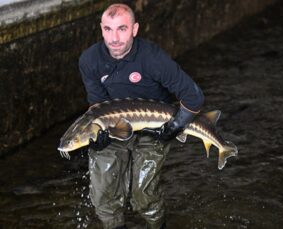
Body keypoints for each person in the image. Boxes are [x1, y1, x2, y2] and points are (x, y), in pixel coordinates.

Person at [79, 3, 204, 229]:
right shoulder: (90, 60)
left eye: (122, 29)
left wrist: (175, 125)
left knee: (143, 194)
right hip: (114, 125)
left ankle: (158, 226)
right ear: (101, 29)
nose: (114, 38)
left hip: (154, 128)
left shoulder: (153, 58)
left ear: (135, 29)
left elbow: (193, 97)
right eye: (108, 29)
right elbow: (97, 104)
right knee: (103, 195)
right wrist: (99, 134)